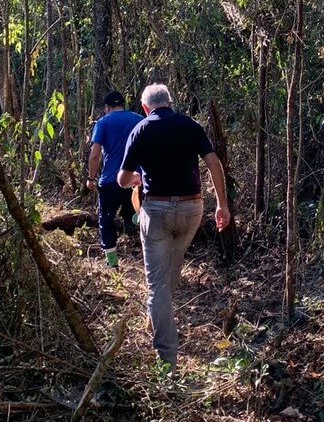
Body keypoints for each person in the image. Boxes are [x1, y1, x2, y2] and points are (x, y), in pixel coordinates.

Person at [118, 83, 231, 370]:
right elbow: (213, 162)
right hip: (192, 209)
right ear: (170, 102)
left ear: (145, 108)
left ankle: (166, 360)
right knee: (171, 270)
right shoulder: (189, 125)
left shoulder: (141, 129)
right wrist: (222, 204)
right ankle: (155, 318)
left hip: (155, 210)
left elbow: (122, 178)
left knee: (157, 285)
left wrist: (132, 180)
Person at [85, 91, 143, 269]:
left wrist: (91, 179)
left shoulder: (103, 122)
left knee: (106, 220)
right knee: (139, 215)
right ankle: (145, 254)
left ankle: (112, 263)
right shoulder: (139, 119)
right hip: (136, 180)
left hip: (111, 181)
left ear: (107, 107)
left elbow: (95, 155)